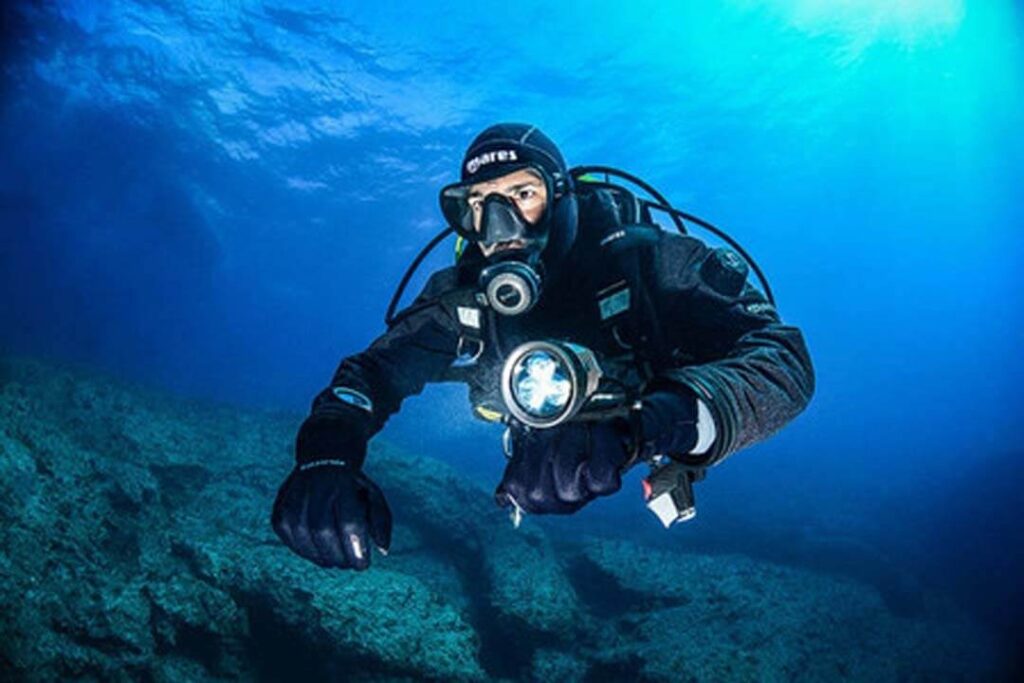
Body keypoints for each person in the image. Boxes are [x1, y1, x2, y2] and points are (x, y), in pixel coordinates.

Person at [271, 123, 815, 570]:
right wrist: (325, 456)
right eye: (481, 203)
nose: (500, 225)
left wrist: (648, 425)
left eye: (522, 194)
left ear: (562, 198)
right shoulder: (464, 293)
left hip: (659, 416)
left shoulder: (648, 260)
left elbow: (786, 363)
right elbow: (371, 374)